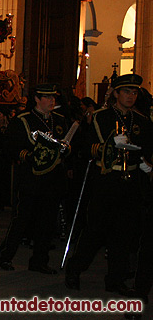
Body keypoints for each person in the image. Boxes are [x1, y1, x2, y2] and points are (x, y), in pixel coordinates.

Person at [66, 74, 153, 294]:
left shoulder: (141, 121)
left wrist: (144, 163)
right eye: (126, 92)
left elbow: (146, 149)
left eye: (134, 93)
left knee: (124, 234)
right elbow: (87, 147)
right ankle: (74, 270)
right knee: (95, 231)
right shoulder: (100, 117)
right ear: (116, 93)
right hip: (107, 180)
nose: (131, 96)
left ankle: (115, 279)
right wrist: (108, 146)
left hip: (131, 182)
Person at [0, 83, 71, 275]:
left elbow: (71, 145)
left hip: (53, 179)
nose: (51, 101)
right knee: (22, 219)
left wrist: (66, 150)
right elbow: (11, 147)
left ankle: (39, 260)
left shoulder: (61, 120)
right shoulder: (24, 120)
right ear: (37, 99)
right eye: (47, 98)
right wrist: (29, 156)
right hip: (31, 178)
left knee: (46, 222)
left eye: (53, 98)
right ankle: (6, 255)